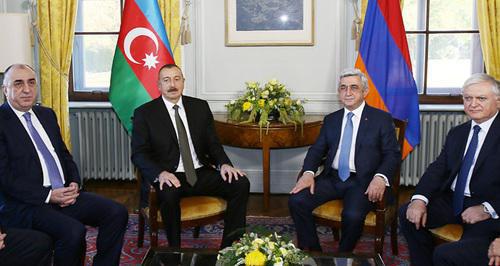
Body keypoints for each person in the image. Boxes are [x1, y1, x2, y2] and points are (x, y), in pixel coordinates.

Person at [0, 64, 128, 266]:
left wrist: (74, 181)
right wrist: (49, 196)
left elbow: (63, 155)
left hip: (62, 194)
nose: (26, 89)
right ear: (5, 89)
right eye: (18, 84)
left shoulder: (46, 115)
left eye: (31, 83)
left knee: (116, 212)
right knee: (73, 232)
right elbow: (5, 179)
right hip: (27, 204)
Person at [131, 63, 250, 248]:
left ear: (183, 82)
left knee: (240, 183)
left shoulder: (199, 107)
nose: (172, 84)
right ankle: (174, 253)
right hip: (170, 175)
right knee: (168, 195)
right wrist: (160, 173)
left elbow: (213, 144)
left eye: (177, 79)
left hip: (199, 172)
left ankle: (230, 247)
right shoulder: (145, 113)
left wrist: (224, 164)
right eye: (166, 80)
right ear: (159, 86)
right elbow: (139, 154)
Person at [288, 68, 401, 252]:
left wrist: (380, 177)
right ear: (338, 92)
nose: (348, 92)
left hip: (363, 181)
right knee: (296, 200)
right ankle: (315, 254)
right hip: (331, 178)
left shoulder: (381, 119)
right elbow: (317, 150)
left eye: (354, 87)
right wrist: (308, 173)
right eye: (343, 88)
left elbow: (392, 154)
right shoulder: (331, 119)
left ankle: (343, 257)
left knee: (352, 215)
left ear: (365, 91)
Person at [399, 73, 500, 266]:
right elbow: (438, 169)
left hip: (486, 207)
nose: (473, 104)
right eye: (468, 98)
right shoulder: (458, 133)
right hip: (454, 199)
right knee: (408, 214)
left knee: (449, 255)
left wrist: (488, 209)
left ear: (498, 101)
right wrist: (419, 199)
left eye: (481, 98)